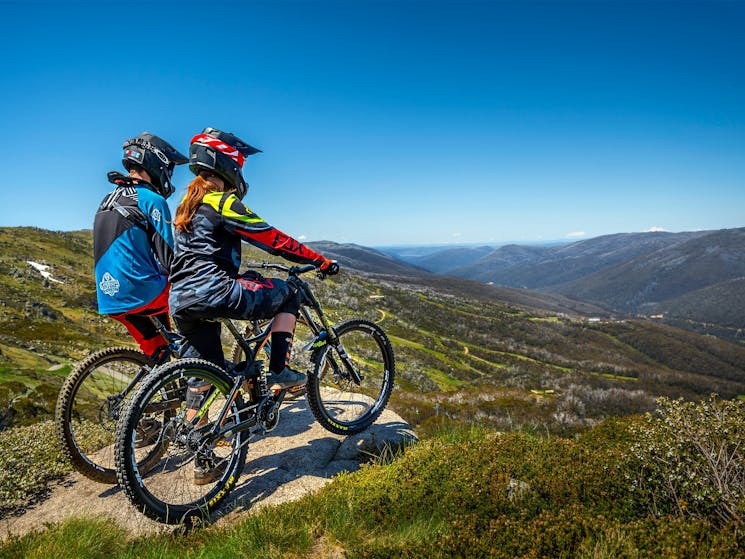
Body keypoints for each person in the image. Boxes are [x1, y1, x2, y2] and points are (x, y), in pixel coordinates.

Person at [169, 127, 339, 391]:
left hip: (180, 301)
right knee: (290, 292)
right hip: (215, 292)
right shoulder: (221, 201)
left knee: (205, 379)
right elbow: (273, 239)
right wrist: (320, 261)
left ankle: (193, 430)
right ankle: (279, 372)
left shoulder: (186, 207)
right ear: (228, 164)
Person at [94, 132, 188, 362]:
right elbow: (169, 259)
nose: (169, 176)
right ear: (157, 163)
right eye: (170, 169)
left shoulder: (108, 198)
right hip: (141, 292)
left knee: (160, 354)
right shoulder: (151, 199)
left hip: (109, 297)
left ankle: (162, 388)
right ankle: (206, 367)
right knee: (197, 295)